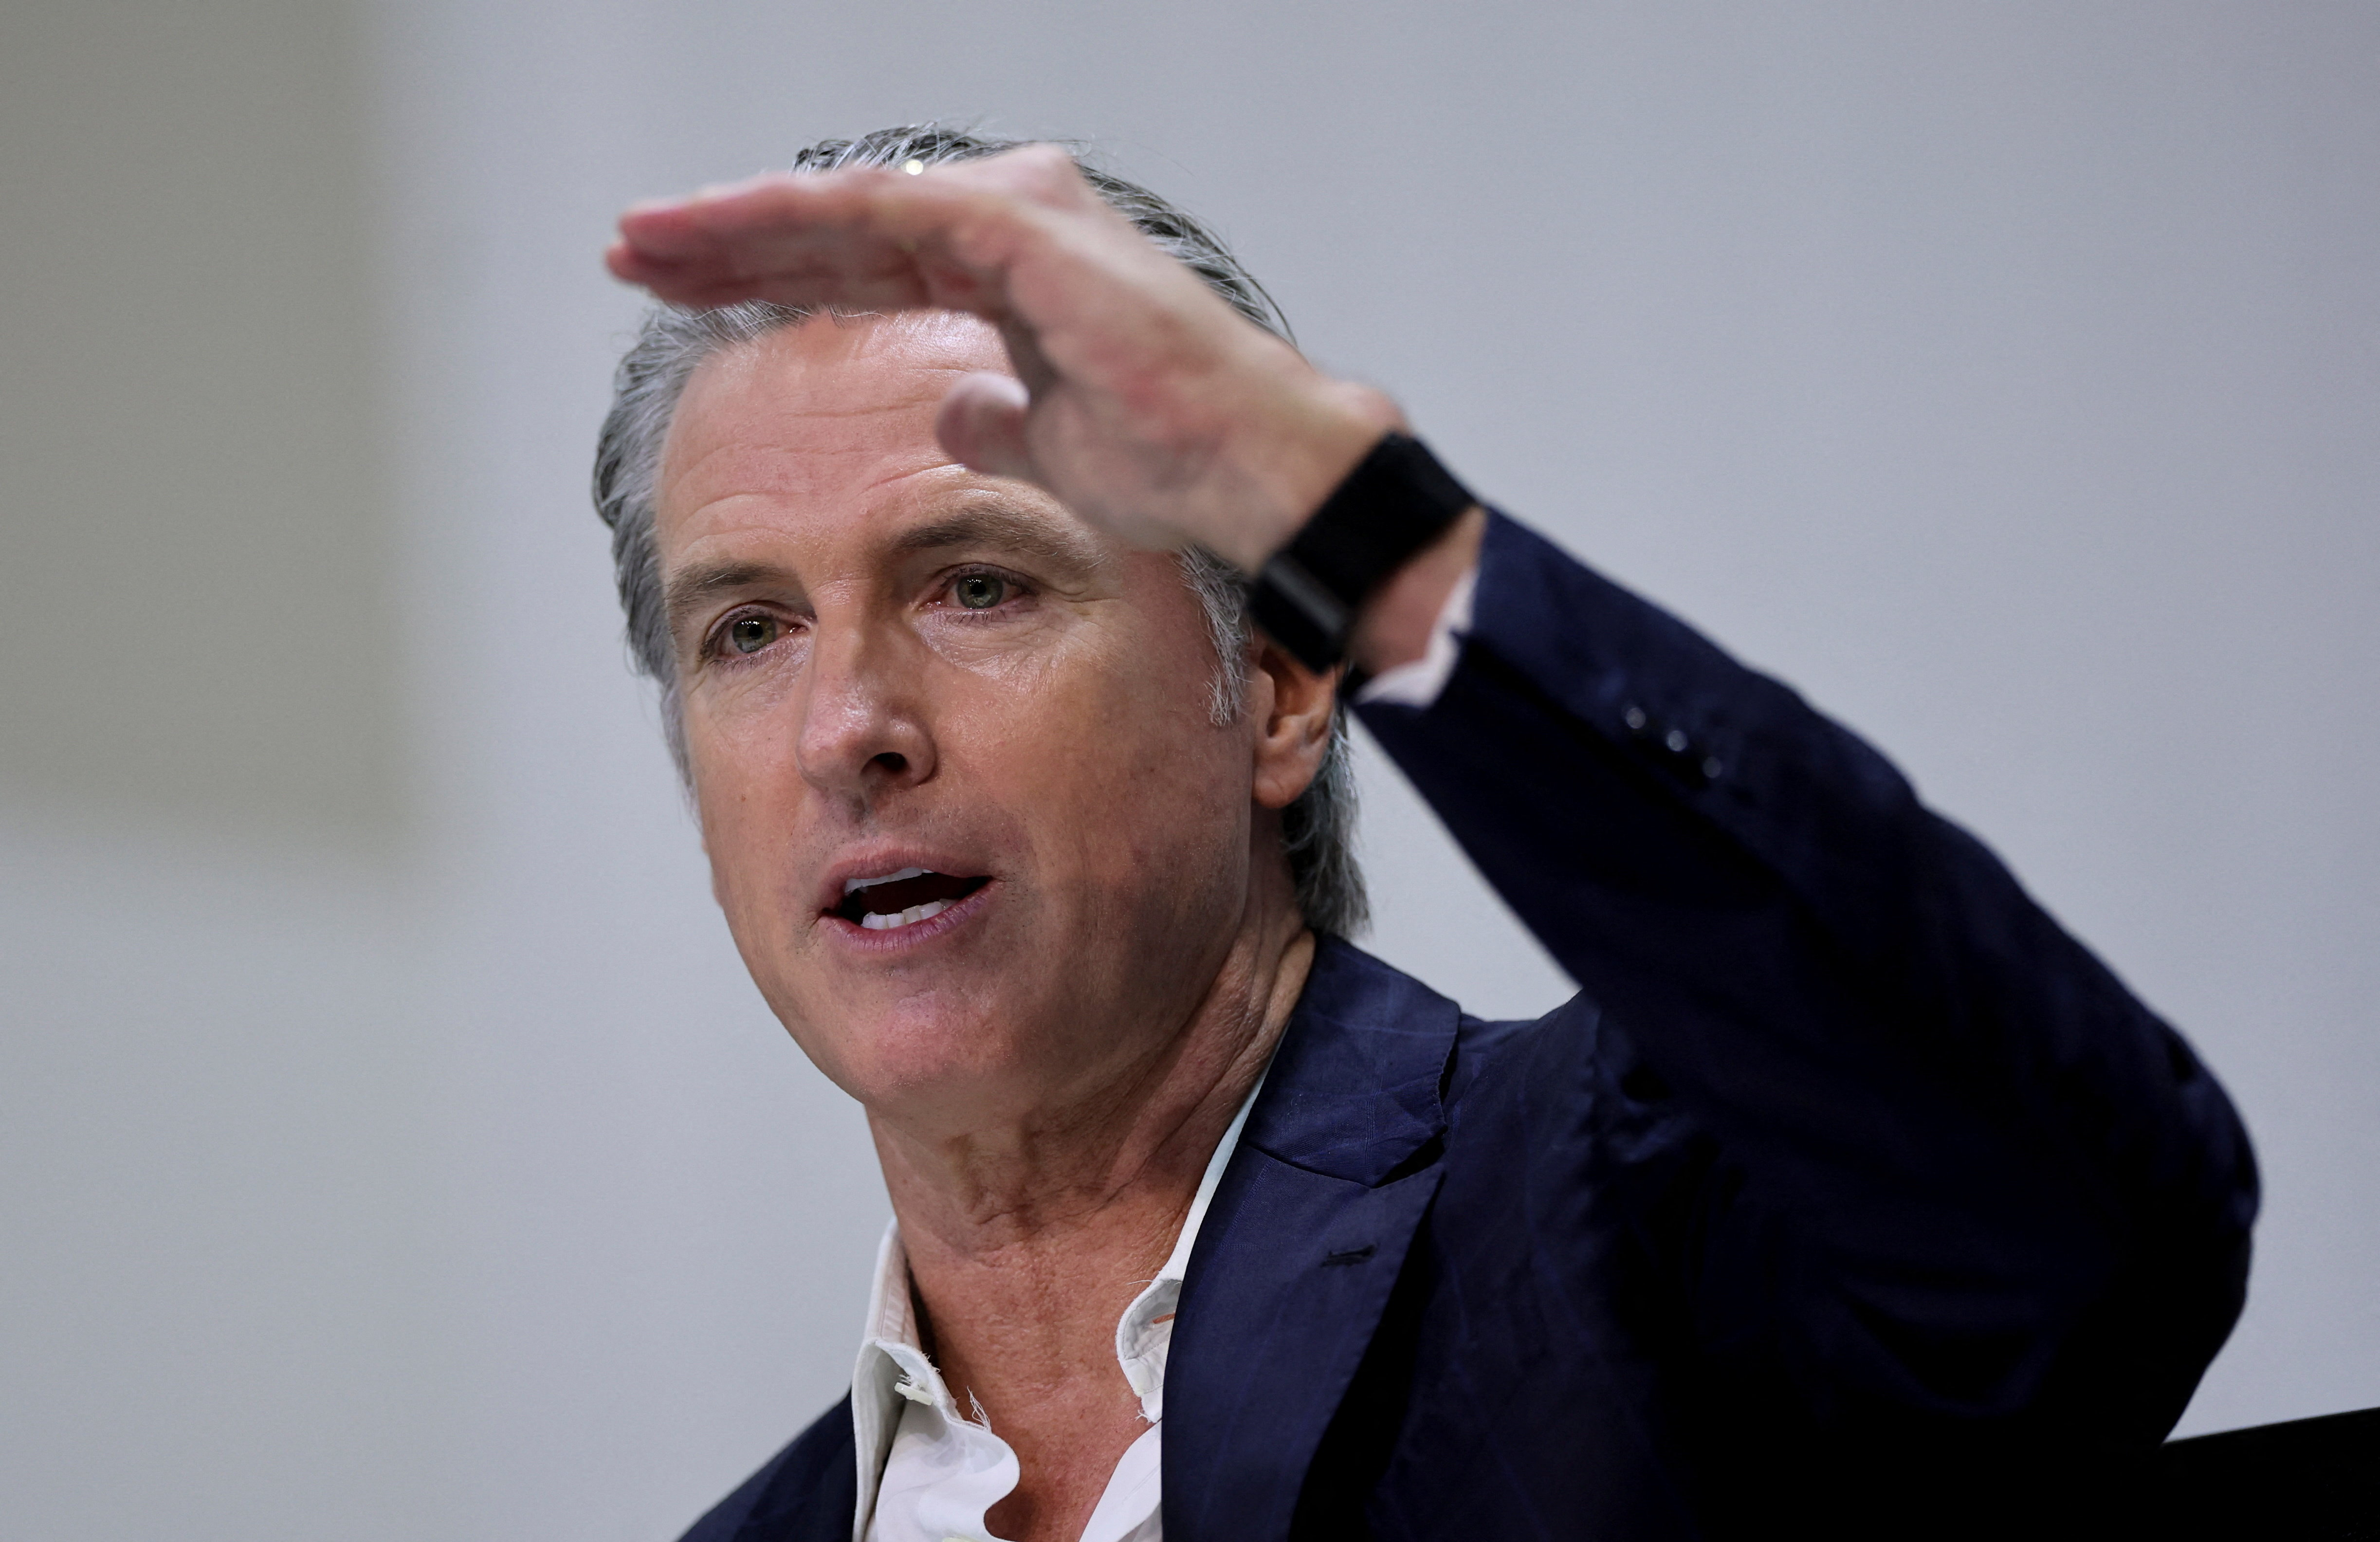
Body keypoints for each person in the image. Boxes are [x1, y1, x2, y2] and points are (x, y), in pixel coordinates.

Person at [595, 126, 2256, 1542]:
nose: (847, 729)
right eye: (748, 631)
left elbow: (2093, 1223)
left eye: (977, 584)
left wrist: (1367, 536)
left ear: (1286, 683)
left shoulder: (1624, 1214)